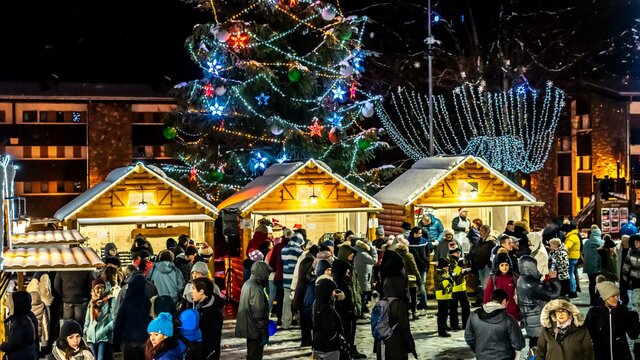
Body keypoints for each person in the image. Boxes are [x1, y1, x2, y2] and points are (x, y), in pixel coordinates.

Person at [585, 276, 640, 360]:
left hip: (621, 355)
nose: (616, 299)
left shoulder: (622, 311)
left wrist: (634, 317)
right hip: (600, 354)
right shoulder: (594, 313)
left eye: (617, 296)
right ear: (605, 297)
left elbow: (633, 335)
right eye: (613, 296)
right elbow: (587, 335)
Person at [464, 288, 525, 360]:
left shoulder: (474, 315)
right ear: (504, 301)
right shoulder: (509, 320)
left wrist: (479, 349)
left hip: (482, 357)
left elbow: (469, 338)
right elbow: (518, 344)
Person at [516, 256, 561, 349]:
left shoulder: (521, 279)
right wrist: (554, 280)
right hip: (537, 321)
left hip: (529, 319)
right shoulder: (531, 283)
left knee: (534, 343)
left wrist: (545, 283)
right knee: (540, 346)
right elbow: (553, 294)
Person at [374, 274, 417, 360]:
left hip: (382, 346)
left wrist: (376, 347)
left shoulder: (381, 302)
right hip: (396, 345)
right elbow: (404, 327)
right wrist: (411, 346)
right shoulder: (398, 304)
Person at [235, 261, 271, 360]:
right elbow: (258, 313)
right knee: (255, 355)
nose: (267, 278)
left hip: (250, 327)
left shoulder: (248, 283)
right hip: (255, 330)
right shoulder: (256, 288)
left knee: (251, 353)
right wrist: (264, 333)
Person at [113, 275, 153, 360]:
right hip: (144, 339)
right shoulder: (147, 301)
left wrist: (115, 341)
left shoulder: (127, 300)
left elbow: (119, 321)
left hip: (129, 340)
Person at [312, 275, 346, 360]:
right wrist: (340, 341)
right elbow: (329, 329)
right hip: (328, 347)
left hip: (318, 343)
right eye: (333, 290)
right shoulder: (326, 308)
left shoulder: (316, 303)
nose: (335, 293)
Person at [191, 277, 224, 360]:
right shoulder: (200, 306)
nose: (191, 292)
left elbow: (211, 341)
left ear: (201, 291)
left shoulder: (212, 313)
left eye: (193, 289)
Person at [0, 291, 39, 359]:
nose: (8, 306)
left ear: (15, 305)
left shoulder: (18, 322)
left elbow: (13, 343)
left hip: (20, 356)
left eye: (10, 304)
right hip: (30, 353)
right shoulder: (29, 315)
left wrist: (3, 346)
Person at [83, 279, 115, 360]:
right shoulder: (92, 302)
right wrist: (86, 330)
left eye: (102, 287)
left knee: (101, 358)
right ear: (93, 289)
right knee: (93, 358)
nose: (100, 290)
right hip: (91, 336)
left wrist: (103, 331)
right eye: (97, 287)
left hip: (104, 336)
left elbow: (114, 320)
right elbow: (87, 318)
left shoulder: (110, 300)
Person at [484, 250, 520, 320]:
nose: (504, 267)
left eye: (506, 265)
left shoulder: (514, 277)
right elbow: (487, 293)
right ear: (498, 266)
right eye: (502, 265)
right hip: (497, 310)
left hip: (512, 311)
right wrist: (487, 309)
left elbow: (521, 293)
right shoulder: (493, 277)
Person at [406, 226, 433, 315]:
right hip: (412, 269)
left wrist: (427, 263)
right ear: (414, 233)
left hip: (422, 267)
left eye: (421, 233)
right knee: (413, 287)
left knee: (422, 286)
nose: (420, 234)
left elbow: (427, 253)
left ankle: (423, 305)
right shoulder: (408, 242)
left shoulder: (424, 241)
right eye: (419, 233)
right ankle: (413, 305)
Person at [281, 233, 304, 329]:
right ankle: (299, 321)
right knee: (298, 301)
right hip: (295, 280)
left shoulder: (284, 249)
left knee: (286, 302)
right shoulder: (298, 250)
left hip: (285, 279)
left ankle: (285, 323)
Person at [268, 229, 291, 325]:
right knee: (289, 298)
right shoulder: (295, 247)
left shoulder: (277, 247)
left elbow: (271, 262)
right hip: (290, 277)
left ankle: (279, 318)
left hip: (279, 276)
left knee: (280, 298)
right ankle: (289, 318)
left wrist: (275, 270)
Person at [395, 243, 420, 321]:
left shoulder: (395, 256)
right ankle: (414, 313)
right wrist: (419, 279)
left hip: (399, 281)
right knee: (413, 297)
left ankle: (404, 313)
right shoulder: (408, 256)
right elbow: (414, 268)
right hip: (410, 281)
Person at [448, 243, 471, 330]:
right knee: (455, 308)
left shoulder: (457, 261)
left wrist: (465, 270)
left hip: (461, 288)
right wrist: (463, 269)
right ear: (452, 253)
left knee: (464, 307)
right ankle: (455, 325)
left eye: (459, 252)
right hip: (454, 289)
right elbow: (455, 272)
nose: (459, 254)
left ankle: (464, 325)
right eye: (457, 253)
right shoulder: (450, 261)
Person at [353, 238, 377, 316]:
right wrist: (373, 250)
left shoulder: (357, 251)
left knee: (362, 295)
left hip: (362, 277)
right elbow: (374, 261)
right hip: (363, 278)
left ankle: (362, 311)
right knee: (363, 295)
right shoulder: (363, 254)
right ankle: (361, 312)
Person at [583, 224, 603, 305]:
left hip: (589, 266)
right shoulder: (600, 242)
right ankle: (597, 299)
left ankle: (592, 300)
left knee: (591, 283)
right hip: (598, 266)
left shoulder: (587, 242)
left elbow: (584, 253)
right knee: (600, 283)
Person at [435, 258, 453, 337]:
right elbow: (440, 285)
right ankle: (442, 331)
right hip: (442, 296)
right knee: (442, 314)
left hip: (446, 295)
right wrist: (448, 280)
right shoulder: (439, 273)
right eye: (447, 266)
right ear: (443, 267)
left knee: (445, 313)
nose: (448, 267)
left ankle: (444, 327)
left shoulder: (444, 272)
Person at [623, 234, 640, 314]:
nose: (636, 244)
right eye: (635, 242)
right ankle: (637, 316)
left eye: (638, 242)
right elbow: (626, 264)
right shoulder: (631, 251)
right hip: (635, 279)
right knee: (635, 298)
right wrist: (625, 275)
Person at [564, 223, 582, 298]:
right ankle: (573, 290)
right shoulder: (575, 235)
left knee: (570, 275)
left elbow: (567, 246)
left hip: (571, 257)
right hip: (575, 257)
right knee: (572, 274)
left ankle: (572, 291)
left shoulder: (572, 237)